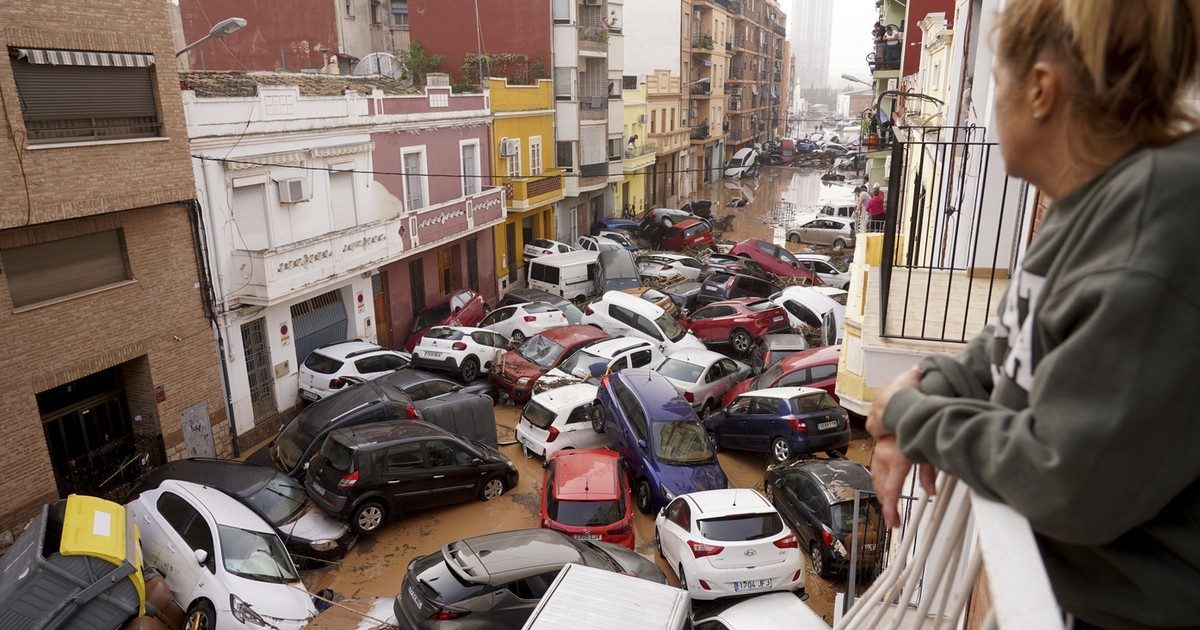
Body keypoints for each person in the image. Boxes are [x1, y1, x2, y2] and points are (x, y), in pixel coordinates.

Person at [865, 1, 1200, 628]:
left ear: (1041, 90)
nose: (993, 105)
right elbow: (1007, 342)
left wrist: (908, 414)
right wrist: (926, 389)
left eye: (996, 82)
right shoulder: (1091, 202)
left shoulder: (1154, 228)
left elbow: (1068, 481)